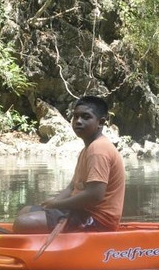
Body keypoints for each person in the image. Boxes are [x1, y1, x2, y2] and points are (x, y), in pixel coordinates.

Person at [13, 95, 125, 233]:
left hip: (98, 220)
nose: (78, 121)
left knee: (23, 222)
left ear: (100, 122)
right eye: (75, 116)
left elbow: (95, 195)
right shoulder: (87, 149)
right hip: (81, 212)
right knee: (25, 211)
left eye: (85, 117)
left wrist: (57, 204)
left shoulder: (99, 149)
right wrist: (51, 204)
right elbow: (72, 187)